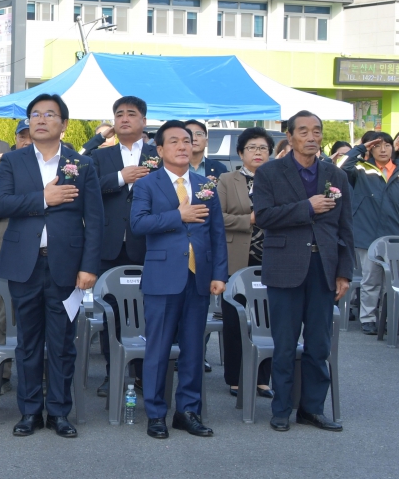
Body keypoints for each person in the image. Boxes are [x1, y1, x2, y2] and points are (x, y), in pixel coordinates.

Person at [0, 94, 103, 439]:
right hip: (24, 263)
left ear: (64, 124)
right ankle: (28, 412)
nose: (41, 119)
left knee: (62, 343)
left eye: (49, 114)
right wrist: (43, 198)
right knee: (27, 342)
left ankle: (58, 412)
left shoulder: (81, 164)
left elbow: (95, 219)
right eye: (35, 114)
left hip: (66, 266)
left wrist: (89, 267)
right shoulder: (12, 160)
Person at [252, 110, 353, 432]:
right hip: (285, 267)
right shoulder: (269, 172)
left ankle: (312, 408)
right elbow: (264, 216)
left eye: (317, 131)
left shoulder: (333, 174)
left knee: (319, 344)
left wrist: (345, 272)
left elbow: (345, 227)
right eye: (305, 131)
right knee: (284, 343)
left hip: (323, 267)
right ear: (290, 137)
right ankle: (281, 409)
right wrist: (307, 207)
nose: (312, 137)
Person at [130, 120, 228, 440]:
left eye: (187, 140)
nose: (183, 146)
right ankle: (156, 414)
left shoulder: (205, 184)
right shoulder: (148, 184)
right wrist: (178, 216)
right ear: (160, 150)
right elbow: (138, 224)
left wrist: (219, 274)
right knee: (158, 349)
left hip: (198, 278)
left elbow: (217, 233)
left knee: (193, 349)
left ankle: (188, 411)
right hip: (162, 276)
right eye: (174, 141)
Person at [82, 96, 157, 397]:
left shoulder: (157, 154)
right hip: (109, 244)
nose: (124, 118)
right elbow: (87, 189)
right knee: (111, 311)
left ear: (143, 121)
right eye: (119, 114)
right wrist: (119, 178)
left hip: (148, 245)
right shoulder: (101, 156)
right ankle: (113, 372)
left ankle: (143, 374)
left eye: (131, 114)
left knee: (148, 312)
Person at [217, 127, 275, 397]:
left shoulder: (279, 179)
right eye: (252, 147)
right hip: (236, 259)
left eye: (263, 147)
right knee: (235, 319)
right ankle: (235, 377)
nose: (258, 152)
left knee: (269, 320)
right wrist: (248, 221)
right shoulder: (228, 180)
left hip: (272, 259)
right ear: (241, 153)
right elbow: (217, 217)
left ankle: (263, 379)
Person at [0, 118, 33, 392]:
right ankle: (2, 375)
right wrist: (26, 203)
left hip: (44, 253)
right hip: (7, 252)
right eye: (22, 136)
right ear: (15, 140)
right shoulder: (0, 172)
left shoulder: (53, 171)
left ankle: (40, 376)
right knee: (3, 317)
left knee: (40, 319)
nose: (28, 141)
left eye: (32, 135)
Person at [340, 131, 399, 336]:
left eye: (387, 145)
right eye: (377, 146)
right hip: (367, 234)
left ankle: (391, 318)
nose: (383, 150)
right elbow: (343, 166)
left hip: (394, 235)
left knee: (392, 283)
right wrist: (361, 148)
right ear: (371, 149)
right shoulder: (360, 169)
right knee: (371, 279)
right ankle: (368, 318)